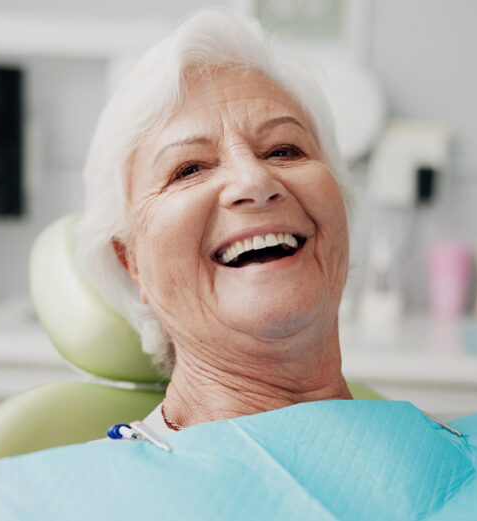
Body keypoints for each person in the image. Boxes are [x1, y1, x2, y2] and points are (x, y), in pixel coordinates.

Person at [75, 9, 354, 433]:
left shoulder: (458, 457)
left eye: (284, 150)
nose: (255, 181)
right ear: (131, 263)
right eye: (188, 169)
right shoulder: (114, 493)